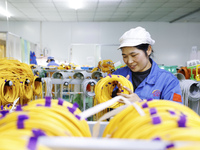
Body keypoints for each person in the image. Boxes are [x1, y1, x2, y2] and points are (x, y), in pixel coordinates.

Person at [112, 26, 183, 104]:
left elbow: (175, 111)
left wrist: (141, 103)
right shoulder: (118, 75)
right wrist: (115, 94)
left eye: (134, 55)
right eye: (124, 56)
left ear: (148, 50)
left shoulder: (168, 80)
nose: (129, 61)